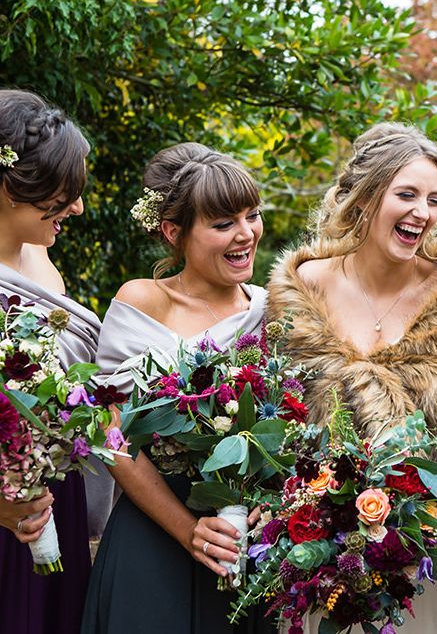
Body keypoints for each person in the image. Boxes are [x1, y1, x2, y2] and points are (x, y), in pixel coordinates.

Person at [266, 122, 437, 633]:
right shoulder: (301, 290)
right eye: (407, 194)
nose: (423, 213)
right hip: (330, 546)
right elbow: (278, 421)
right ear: (367, 195)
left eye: (435, 199)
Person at [80, 143, 274, 634]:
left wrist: (270, 502)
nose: (246, 233)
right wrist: (189, 531)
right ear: (174, 232)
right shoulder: (143, 300)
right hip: (154, 534)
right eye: (223, 222)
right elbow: (112, 434)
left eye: (252, 215)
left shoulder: (275, 309)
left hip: (246, 540)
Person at [0, 89, 101, 634]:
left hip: (51, 497)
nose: (78, 208)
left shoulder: (43, 263)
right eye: (64, 193)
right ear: (13, 187)